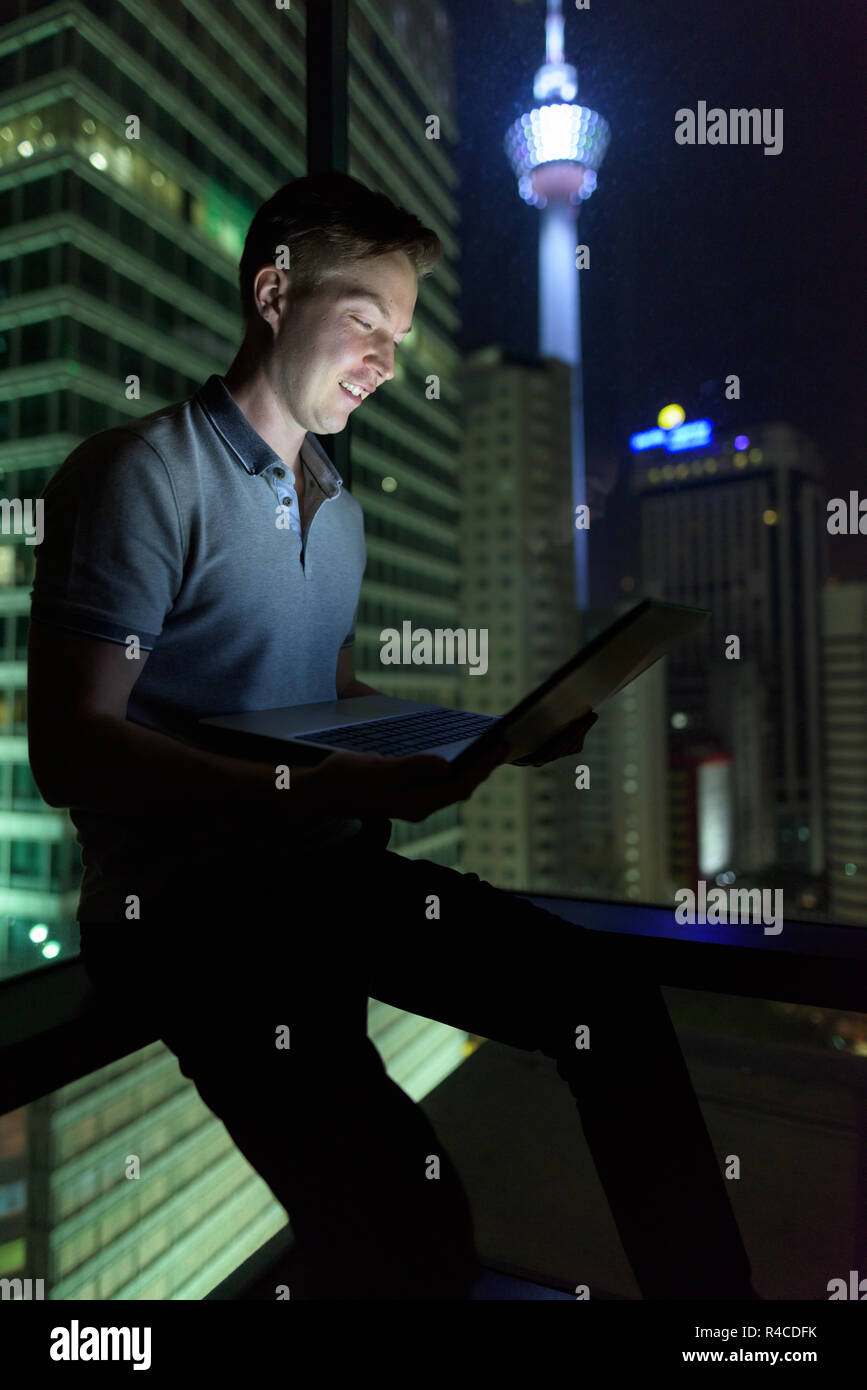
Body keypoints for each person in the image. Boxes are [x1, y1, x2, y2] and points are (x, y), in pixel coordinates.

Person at [27, 172, 757, 1301]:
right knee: (410, 1227)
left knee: (608, 1002)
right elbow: (73, 748)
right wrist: (321, 791)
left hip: (328, 875)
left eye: (399, 334)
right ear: (273, 289)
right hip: (196, 921)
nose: (385, 358)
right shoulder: (140, 475)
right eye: (365, 319)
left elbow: (324, 693)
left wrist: (493, 734)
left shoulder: (338, 504)